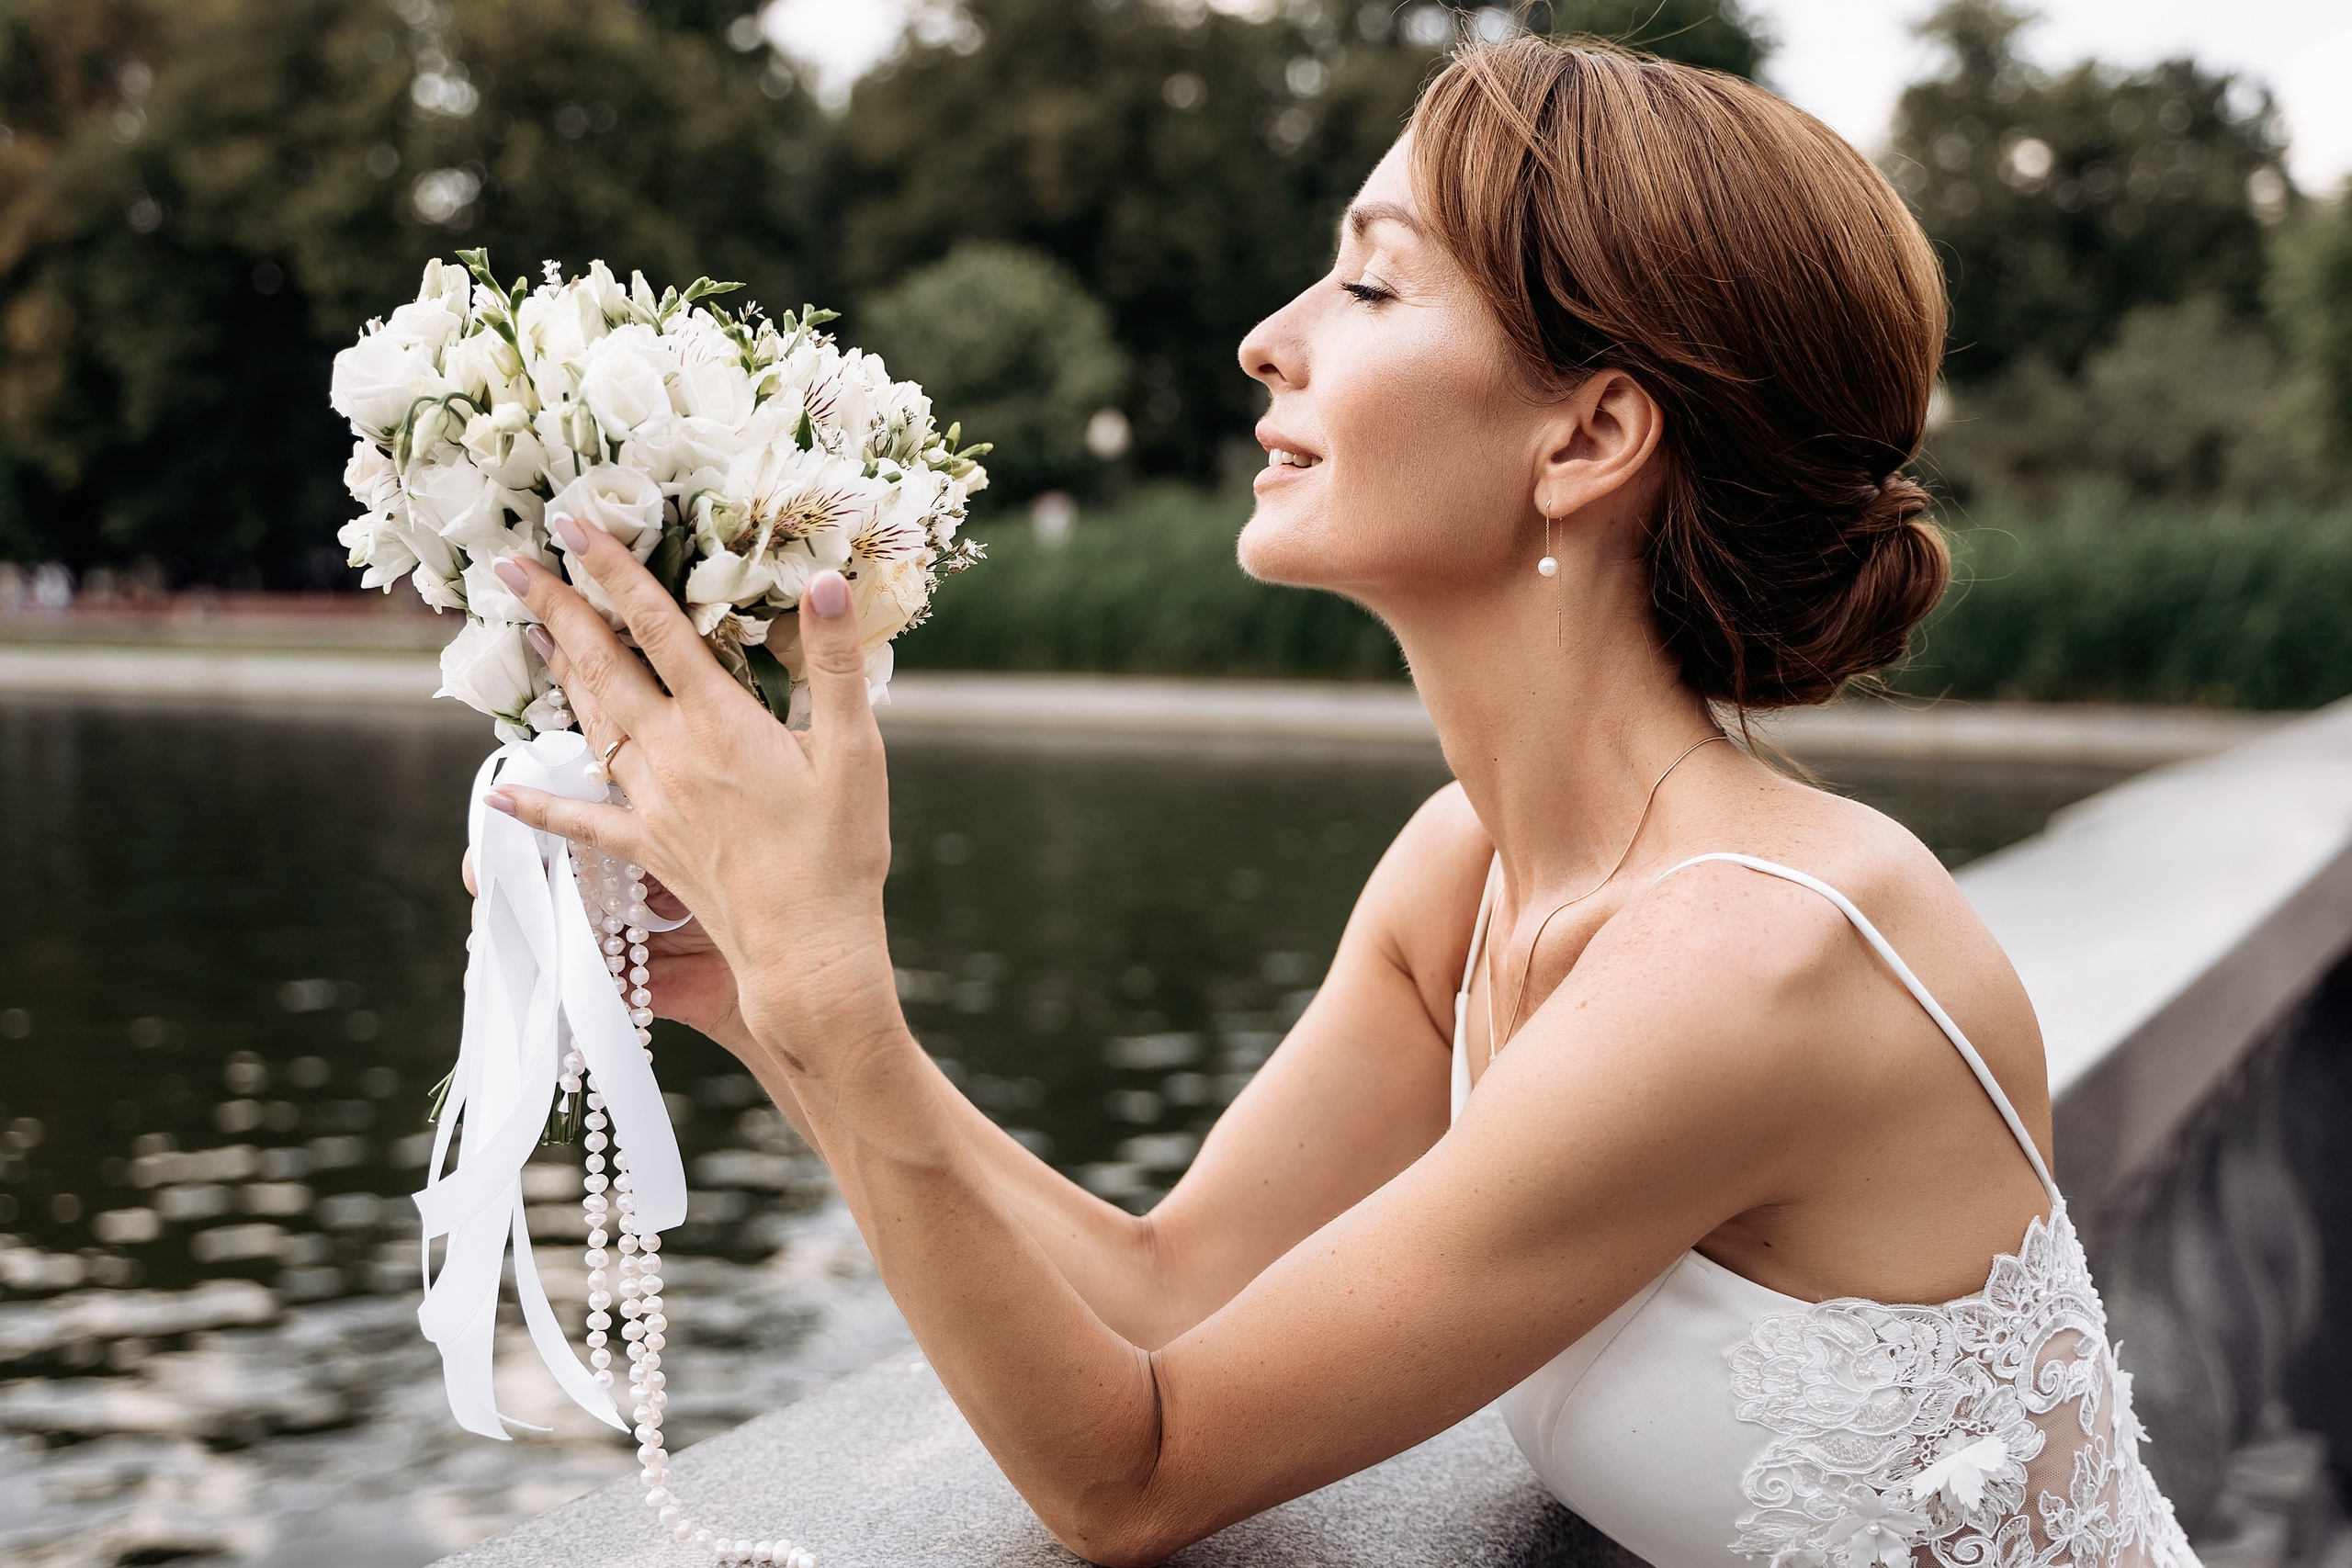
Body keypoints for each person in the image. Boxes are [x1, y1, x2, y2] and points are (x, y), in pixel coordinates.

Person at [478, 36, 2198, 1568]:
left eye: (1368, 290)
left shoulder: (1756, 959)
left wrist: (833, 971)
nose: (1266, 342)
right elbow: (1171, 1293)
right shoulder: (1474, 867)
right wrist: (759, 996)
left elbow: (1133, 1477)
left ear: (1590, 436)